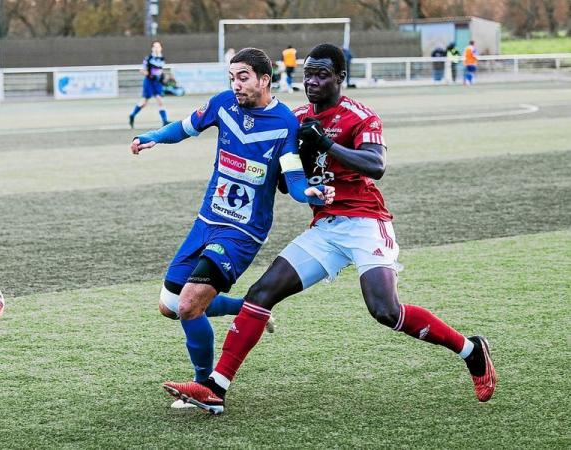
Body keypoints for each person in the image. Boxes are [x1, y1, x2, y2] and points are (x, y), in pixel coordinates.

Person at [163, 43, 497, 415]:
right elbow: (284, 175)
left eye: (322, 75)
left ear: (340, 78)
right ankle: (216, 388)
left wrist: (326, 143)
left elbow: (375, 164)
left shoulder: (361, 117)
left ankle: (471, 350)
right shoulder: (296, 117)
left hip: (367, 222)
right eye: (309, 74)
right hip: (325, 226)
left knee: (386, 311)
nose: (313, 82)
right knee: (261, 293)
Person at [130, 47, 335, 410]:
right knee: (170, 306)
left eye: (243, 77)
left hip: (242, 233)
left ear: (264, 79)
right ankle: (249, 308)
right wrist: (154, 137)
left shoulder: (285, 122)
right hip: (207, 220)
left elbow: (294, 178)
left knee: (190, 306)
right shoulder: (223, 104)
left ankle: (204, 390)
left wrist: (311, 192)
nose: (236, 85)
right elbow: (185, 127)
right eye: (232, 78)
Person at [129, 41, 170, 128]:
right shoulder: (148, 58)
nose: (156, 48)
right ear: (152, 48)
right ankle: (132, 115)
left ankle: (165, 121)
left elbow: (159, 70)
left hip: (157, 83)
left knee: (160, 100)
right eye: (155, 47)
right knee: (144, 102)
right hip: (149, 82)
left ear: (161, 48)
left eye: (158, 47)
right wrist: (150, 76)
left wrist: (162, 76)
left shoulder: (162, 58)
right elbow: (142, 70)